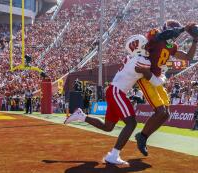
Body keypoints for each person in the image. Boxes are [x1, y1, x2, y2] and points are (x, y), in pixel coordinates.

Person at [64, 35, 166, 165]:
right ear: (138, 47)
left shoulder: (133, 58)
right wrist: (164, 76)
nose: (148, 47)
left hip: (113, 91)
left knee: (108, 127)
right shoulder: (141, 60)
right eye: (145, 45)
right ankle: (113, 155)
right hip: (117, 92)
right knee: (131, 123)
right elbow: (156, 82)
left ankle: (82, 116)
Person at [135, 20, 198, 156]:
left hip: (157, 79)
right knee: (160, 111)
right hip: (145, 76)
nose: (175, 35)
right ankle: (142, 137)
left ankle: (143, 136)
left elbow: (188, 57)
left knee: (165, 114)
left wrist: (195, 40)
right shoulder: (156, 34)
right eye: (174, 31)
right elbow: (163, 36)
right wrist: (183, 28)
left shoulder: (172, 45)